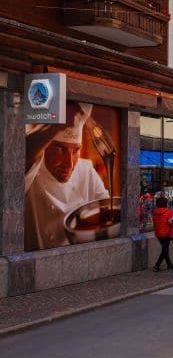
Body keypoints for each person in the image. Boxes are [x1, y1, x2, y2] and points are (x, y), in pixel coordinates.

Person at [24, 102, 110, 250]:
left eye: (75, 150)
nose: (69, 164)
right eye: (60, 149)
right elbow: (18, 157)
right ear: (44, 146)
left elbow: (107, 209)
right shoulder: (30, 172)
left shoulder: (86, 170)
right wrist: (55, 126)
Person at [152, 196, 173, 272]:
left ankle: (169, 264)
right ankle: (157, 265)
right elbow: (171, 222)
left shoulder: (155, 212)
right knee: (165, 249)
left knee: (165, 248)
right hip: (167, 233)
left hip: (158, 233)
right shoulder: (168, 212)